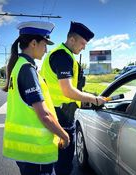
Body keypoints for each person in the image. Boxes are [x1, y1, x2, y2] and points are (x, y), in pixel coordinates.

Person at [2, 21, 70, 175]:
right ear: (33, 43)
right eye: (45, 44)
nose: (46, 50)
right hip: (36, 152)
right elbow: (44, 115)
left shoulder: (19, 65)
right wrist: (64, 135)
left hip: (26, 152)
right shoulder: (27, 69)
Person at [41, 21, 106, 175]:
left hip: (58, 113)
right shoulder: (62, 56)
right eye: (82, 43)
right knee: (63, 165)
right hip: (61, 117)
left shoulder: (62, 53)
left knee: (57, 162)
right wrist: (94, 99)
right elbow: (68, 91)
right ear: (72, 40)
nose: (84, 47)